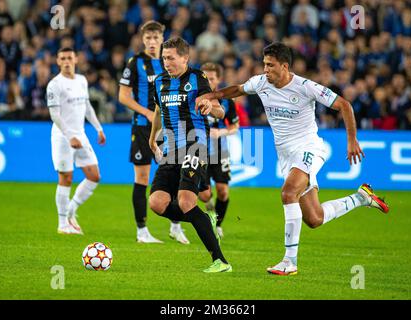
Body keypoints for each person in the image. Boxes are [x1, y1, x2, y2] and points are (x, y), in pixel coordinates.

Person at [198, 42, 389, 276]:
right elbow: (237, 90)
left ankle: (289, 261)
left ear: (285, 66)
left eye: (270, 65)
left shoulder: (305, 87)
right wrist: (212, 95)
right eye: (264, 64)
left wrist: (352, 141)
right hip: (287, 156)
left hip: (310, 149)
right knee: (314, 218)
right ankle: (361, 198)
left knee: (288, 193)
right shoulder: (260, 82)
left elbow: (344, 105)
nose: (265, 69)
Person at [148, 37, 232, 273]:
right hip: (171, 148)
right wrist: (152, 137)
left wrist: (210, 107)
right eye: (164, 58)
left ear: (185, 58)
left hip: (196, 145)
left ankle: (220, 261)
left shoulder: (197, 78)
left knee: (186, 201)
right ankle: (205, 220)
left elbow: (220, 109)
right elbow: (158, 110)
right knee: (156, 203)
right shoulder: (160, 82)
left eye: (171, 58)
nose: (166, 62)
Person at [119, 21, 188, 244]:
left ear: (161, 39)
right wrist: (148, 113)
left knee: (175, 177)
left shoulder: (169, 63)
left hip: (169, 128)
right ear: (142, 40)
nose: (151, 42)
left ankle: (175, 226)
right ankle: (142, 231)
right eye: (147, 38)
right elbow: (123, 96)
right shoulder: (135, 62)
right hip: (141, 127)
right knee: (141, 178)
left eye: (155, 38)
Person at [47, 47, 106, 235]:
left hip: (81, 134)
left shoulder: (82, 80)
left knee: (94, 176)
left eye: (69, 58)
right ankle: (62, 224)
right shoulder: (54, 85)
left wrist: (98, 128)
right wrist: (69, 135)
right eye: (62, 58)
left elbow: (87, 106)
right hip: (63, 136)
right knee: (66, 178)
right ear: (57, 61)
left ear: (76, 59)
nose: (66, 61)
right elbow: (54, 114)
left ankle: (71, 210)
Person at [198, 62, 239, 238]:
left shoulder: (227, 101)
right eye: (205, 78)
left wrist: (222, 131)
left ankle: (218, 224)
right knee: (204, 195)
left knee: (223, 191)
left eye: (212, 78)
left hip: (220, 150)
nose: (208, 81)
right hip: (200, 151)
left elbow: (235, 126)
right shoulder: (195, 98)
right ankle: (210, 210)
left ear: (219, 79)